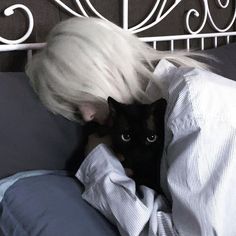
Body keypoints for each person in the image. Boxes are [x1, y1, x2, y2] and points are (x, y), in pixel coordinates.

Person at [26, 17, 236, 236]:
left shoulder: (193, 106)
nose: (86, 116)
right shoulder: (176, 105)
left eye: (79, 98)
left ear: (102, 70)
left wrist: (100, 169)